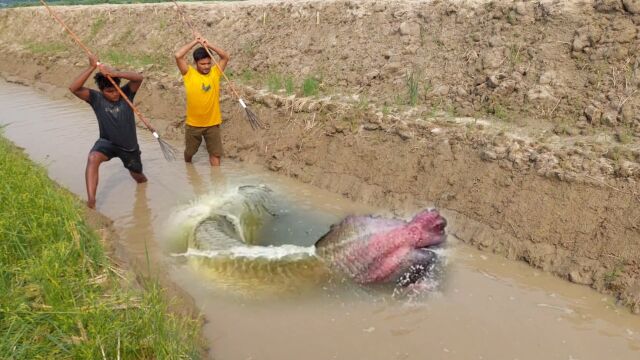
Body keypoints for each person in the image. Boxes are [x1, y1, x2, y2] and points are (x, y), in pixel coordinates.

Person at [69, 54, 147, 209]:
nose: (115, 94)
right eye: (110, 91)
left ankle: (144, 194)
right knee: (93, 158)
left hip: (129, 147)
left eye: (116, 89)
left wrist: (115, 74)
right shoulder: (96, 98)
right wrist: (91, 67)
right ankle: (91, 201)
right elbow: (74, 88)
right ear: (102, 91)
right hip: (107, 143)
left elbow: (139, 78)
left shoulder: (126, 94)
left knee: (139, 178)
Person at [175, 35, 230, 166]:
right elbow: (178, 56)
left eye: (208, 63)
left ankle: (216, 182)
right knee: (190, 152)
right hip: (193, 124)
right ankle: (188, 168)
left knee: (215, 154)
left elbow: (225, 57)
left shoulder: (215, 72)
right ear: (195, 63)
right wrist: (195, 42)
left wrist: (208, 44)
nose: (206, 66)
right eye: (202, 64)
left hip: (212, 123)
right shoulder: (189, 74)